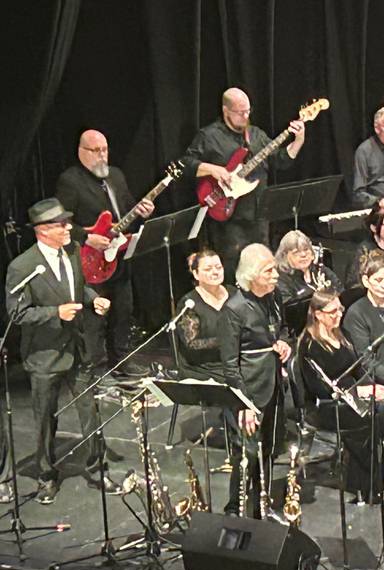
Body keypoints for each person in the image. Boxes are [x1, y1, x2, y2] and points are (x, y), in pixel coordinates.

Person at [5, 198, 117, 504]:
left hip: (77, 348)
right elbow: (17, 314)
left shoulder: (72, 252)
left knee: (90, 411)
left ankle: (98, 468)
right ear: (42, 231)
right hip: (44, 355)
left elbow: (77, 287)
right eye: (61, 224)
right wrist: (55, 313)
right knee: (44, 419)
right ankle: (46, 476)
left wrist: (93, 299)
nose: (69, 228)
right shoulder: (22, 267)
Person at [299, 288, 384, 504]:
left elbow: (359, 370)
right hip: (328, 405)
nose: (338, 315)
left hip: (354, 399)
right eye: (332, 311)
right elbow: (319, 387)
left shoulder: (343, 335)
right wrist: (360, 391)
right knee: (376, 419)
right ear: (318, 314)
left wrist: (375, 388)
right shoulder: (309, 345)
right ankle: (371, 486)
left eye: (339, 309)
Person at [56, 129, 154, 377]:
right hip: (90, 258)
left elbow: (127, 213)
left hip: (117, 257)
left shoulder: (116, 176)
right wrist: (88, 237)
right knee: (94, 319)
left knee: (123, 311)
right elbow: (61, 222)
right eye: (96, 151)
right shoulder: (70, 181)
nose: (102, 156)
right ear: (81, 151)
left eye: (105, 150)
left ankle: (122, 361)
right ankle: (95, 370)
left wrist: (142, 211)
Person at [181, 87, 305, 277]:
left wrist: (298, 140)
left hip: (259, 216)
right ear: (225, 111)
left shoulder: (256, 135)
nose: (246, 116)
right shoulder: (209, 136)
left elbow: (280, 160)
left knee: (262, 270)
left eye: (248, 111)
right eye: (240, 112)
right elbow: (186, 164)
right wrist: (214, 170)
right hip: (229, 218)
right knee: (234, 270)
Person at [218, 244, 292, 518]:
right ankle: (235, 510)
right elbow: (229, 364)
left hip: (272, 384)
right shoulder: (234, 309)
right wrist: (244, 404)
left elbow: (282, 329)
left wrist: (283, 343)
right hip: (249, 389)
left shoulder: (275, 297)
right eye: (268, 270)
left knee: (269, 451)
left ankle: (263, 506)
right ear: (251, 275)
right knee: (247, 455)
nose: (275, 275)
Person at [342, 251, 384, 388]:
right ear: (366, 281)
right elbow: (365, 360)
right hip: (379, 383)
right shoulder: (356, 313)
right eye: (378, 280)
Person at [175, 249, 234, 382]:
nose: (215, 272)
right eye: (208, 269)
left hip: (235, 361)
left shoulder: (235, 294)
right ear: (196, 274)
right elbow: (191, 343)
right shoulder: (189, 303)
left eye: (219, 267)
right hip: (204, 368)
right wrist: (227, 340)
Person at [275, 230, 342, 302]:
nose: (303, 255)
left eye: (306, 249)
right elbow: (289, 308)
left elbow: (341, 292)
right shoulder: (280, 280)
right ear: (285, 256)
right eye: (296, 252)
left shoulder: (322, 270)